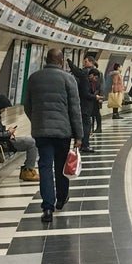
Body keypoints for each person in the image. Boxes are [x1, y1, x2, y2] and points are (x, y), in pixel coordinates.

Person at [24, 48, 83, 224]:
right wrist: (79, 135)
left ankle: (47, 207)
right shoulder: (68, 79)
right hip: (62, 132)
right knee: (61, 167)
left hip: (41, 132)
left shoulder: (34, 78)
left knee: (44, 167)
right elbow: (75, 109)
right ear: (62, 61)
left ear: (46, 59)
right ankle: (61, 198)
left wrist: (37, 120)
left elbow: (27, 105)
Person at [0, 94, 38, 182]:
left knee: (32, 141)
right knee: (32, 143)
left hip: (1, 142)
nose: (4, 110)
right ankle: (28, 171)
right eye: (4, 108)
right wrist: (8, 133)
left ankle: (28, 169)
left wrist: (8, 132)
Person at [68, 56, 95, 152]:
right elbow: (86, 94)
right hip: (85, 106)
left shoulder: (82, 77)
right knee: (85, 125)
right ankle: (84, 144)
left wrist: (69, 63)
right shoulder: (85, 78)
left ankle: (82, 144)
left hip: (82, 105)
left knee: (82, 125)